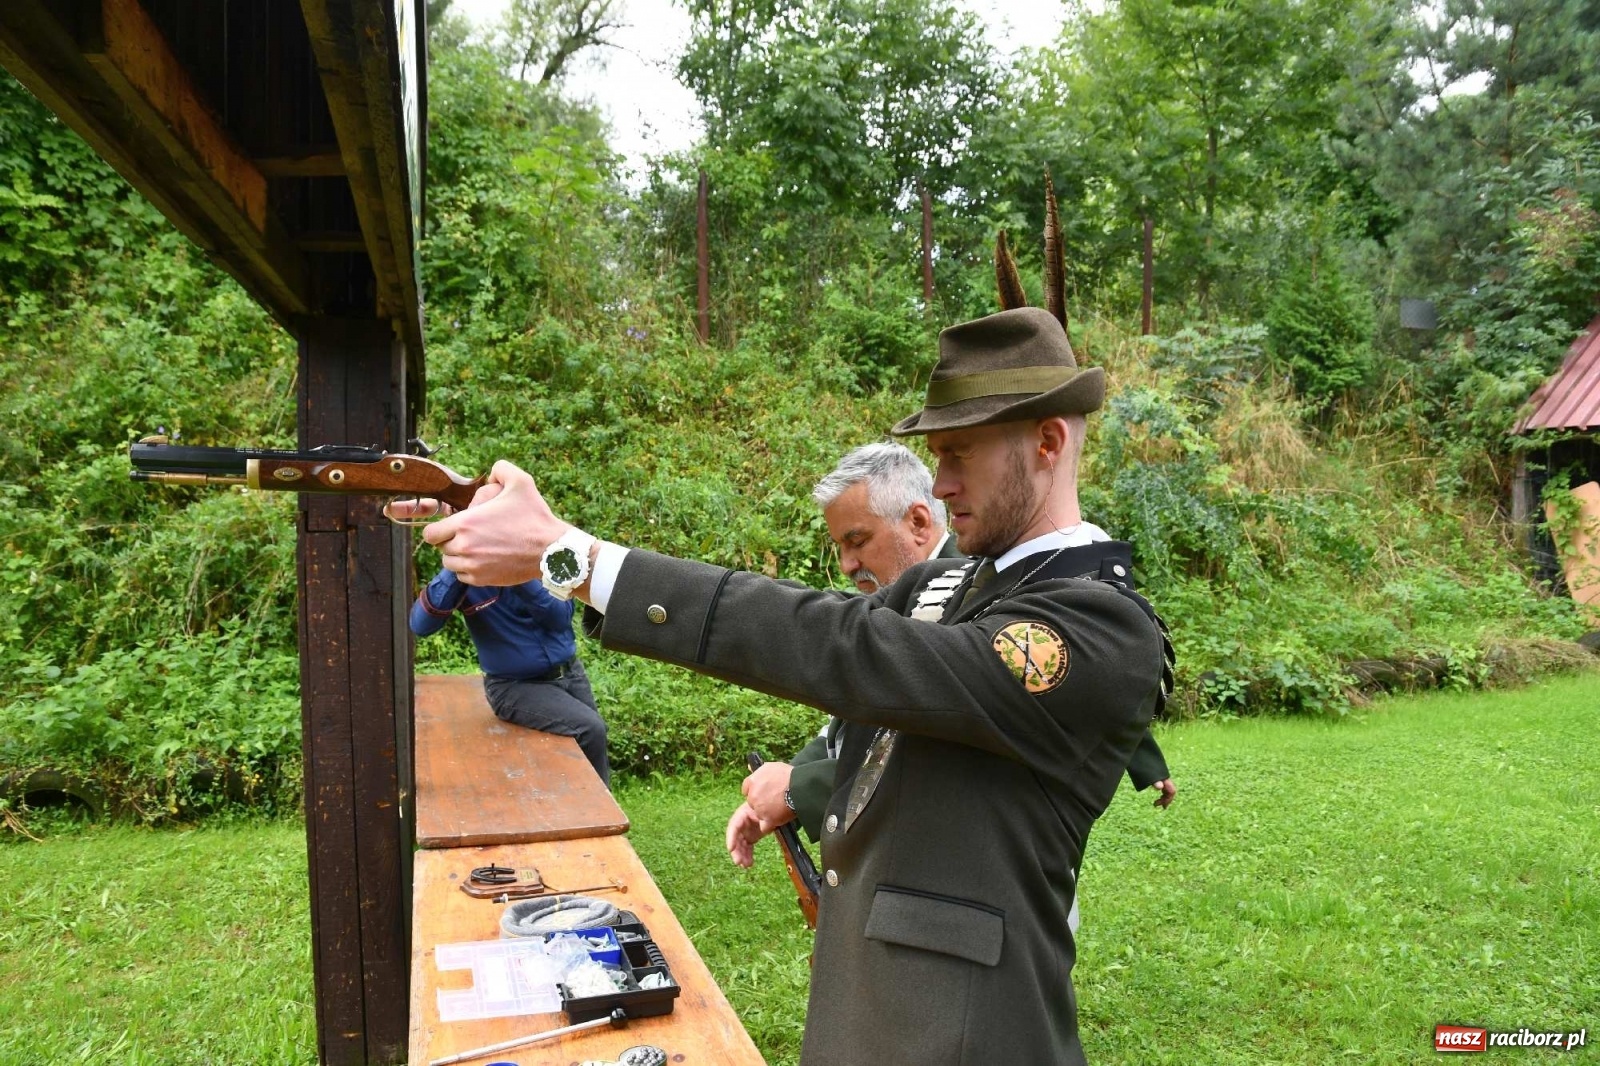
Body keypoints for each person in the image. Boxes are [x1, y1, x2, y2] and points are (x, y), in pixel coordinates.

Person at [411, 303, 1174, 1064]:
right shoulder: (953, 584)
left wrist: (575, 560)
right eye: (935, 455)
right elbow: (840, 658)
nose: (940, 484)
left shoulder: (1098, 627)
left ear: (1047, 442)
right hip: (872, 1007)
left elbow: (845, 648)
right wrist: (484, 516)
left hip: (962, 1036)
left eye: (960, 453)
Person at [408, 566, 610, 787]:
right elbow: (421, 625)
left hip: (570, 673)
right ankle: (602, 816)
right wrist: (455, 568)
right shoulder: (470, 577)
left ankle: (597, 806)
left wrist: (516, 572)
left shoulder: (539, 562)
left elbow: (558, 618)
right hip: (513, 686)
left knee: (595, 737)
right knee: (590, 729)